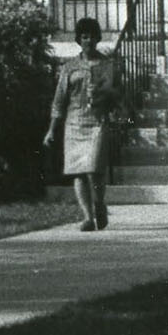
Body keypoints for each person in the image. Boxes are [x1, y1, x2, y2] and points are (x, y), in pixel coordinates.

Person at [48, 39, 111, 232]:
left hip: (97, 121)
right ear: (79, 40)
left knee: (94, 169)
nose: (87, 41)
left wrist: (102, 94)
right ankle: (87, 217)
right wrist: (52, 130)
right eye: (83, 36)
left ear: (97, 38)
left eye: (91, 36)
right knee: (79, 172)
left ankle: (99, 204)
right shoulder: (70, 67)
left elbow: (116, 94)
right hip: (74, 122)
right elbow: (59, 100)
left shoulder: (107, 65)